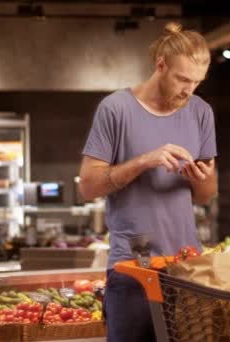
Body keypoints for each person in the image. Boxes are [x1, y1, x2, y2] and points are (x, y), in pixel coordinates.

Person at [78, 21, 217, 341]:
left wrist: (201, 179)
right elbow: (87, 186)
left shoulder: (201, 112)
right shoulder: (115, 109)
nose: (189, 90)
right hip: (131, 269)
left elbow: (207, 195)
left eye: (197, 82)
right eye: (183, 79)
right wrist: (145, 160)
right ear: (160, 65)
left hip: (187, 269)